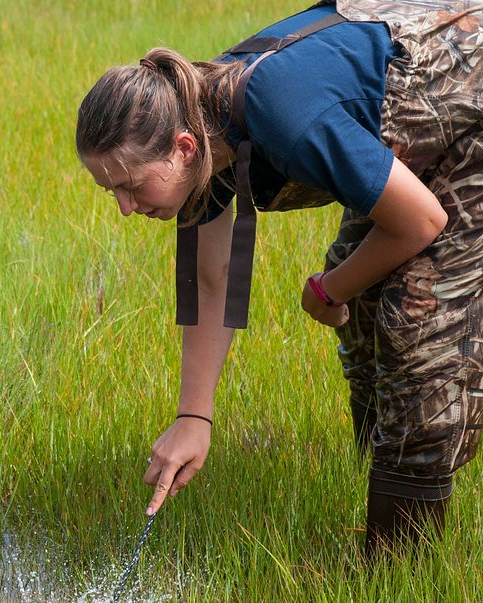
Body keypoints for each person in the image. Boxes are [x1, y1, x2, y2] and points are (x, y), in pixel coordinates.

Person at [75, 0, 482, 556]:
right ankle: (370, 478)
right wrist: (194, 418)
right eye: (110, 191)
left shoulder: (282, 115)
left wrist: (327, 290)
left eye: (132, 186)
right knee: (365, 309)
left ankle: (400, 567)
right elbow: (213, 282)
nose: (124, 207)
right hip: (395, 132)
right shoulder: (194, 123)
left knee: (416, 325)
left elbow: (421, 221)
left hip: (465, 100)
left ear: (182, 149)